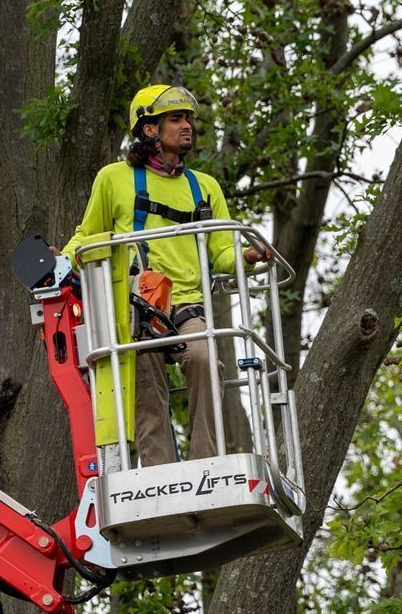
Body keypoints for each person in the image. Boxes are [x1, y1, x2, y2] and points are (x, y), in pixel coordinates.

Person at [65, 84, 267, 466]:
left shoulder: (204, 188)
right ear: (149, 129)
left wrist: (245, 255)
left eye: (188, 118)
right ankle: (160, 474)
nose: (187, 125)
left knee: (205, 358)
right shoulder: (113, 179)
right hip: (136, 306)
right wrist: (66, 260)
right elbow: (85, 236)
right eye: (176, 119)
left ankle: (206, 463)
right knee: (146, 386)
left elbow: (221, 249)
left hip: (187, 303)